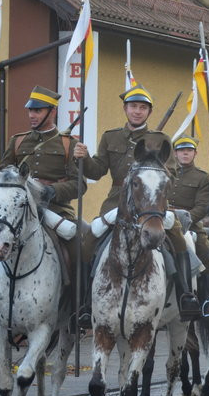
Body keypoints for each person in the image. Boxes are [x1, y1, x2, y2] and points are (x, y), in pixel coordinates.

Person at [73, 84, 201, 321]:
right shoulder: (110, 137)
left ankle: (186, 296)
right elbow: (97, 171)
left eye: (143, 108)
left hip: (151, 204)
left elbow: (171, 173)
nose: (137, 111)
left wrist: (149, 174)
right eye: (133, 106)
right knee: (89, 239)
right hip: (116, 205)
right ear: (125, 109)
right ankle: (83, 303)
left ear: (149, 112)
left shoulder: (161, 139)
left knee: (178, 237)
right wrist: (83, 157)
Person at [0, 86, 84, 324]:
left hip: (54, 209)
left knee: (79, 248)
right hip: (18, 212)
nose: (32, 115)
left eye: (38, 111)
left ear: (52, 112)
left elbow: (79, 186)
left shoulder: (68, 144)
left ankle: (78, 308)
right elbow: (0, 180)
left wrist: (52, 191)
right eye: (30, 111)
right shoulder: (17, 142)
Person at [169, 135, 209, 317]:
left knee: (206, 252)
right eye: (181, 150)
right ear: (175, 153)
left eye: (189, 150)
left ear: (195, 153)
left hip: (189, 224)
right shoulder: (166, 172)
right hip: (162, 221)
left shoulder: (203, 177)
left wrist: (184, 220)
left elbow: (203, 207)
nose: (185, 153)